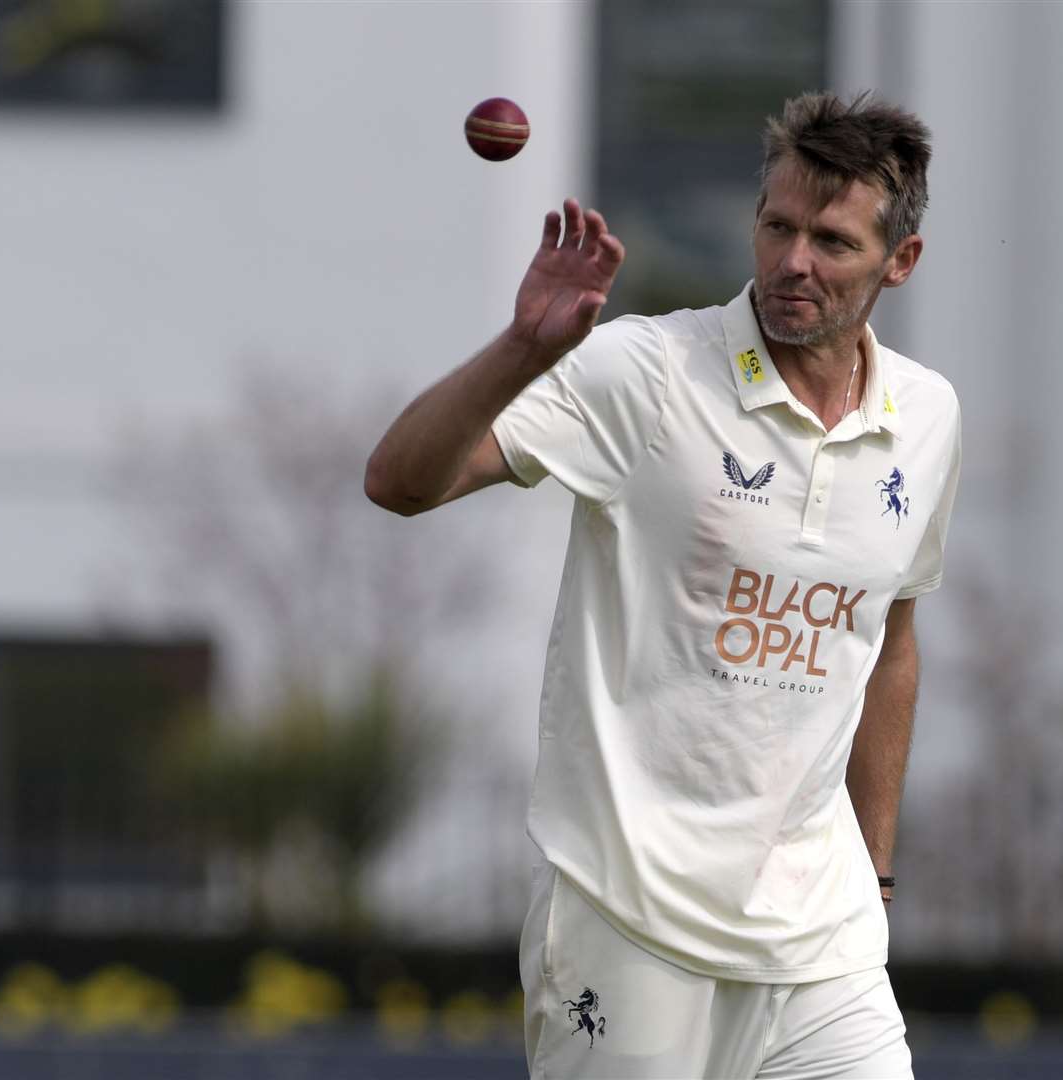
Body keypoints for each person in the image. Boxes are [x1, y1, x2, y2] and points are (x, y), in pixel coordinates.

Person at [366, 91, 961, 1079]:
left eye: (830, 240)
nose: (791, 262)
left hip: (820, 946)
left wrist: (876, 873)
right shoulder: (644, 372)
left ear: (898, 262)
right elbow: (398, 482)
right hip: (624, 925)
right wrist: (523, 348)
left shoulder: (927, 416)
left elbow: (886, 644)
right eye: (776, 227)